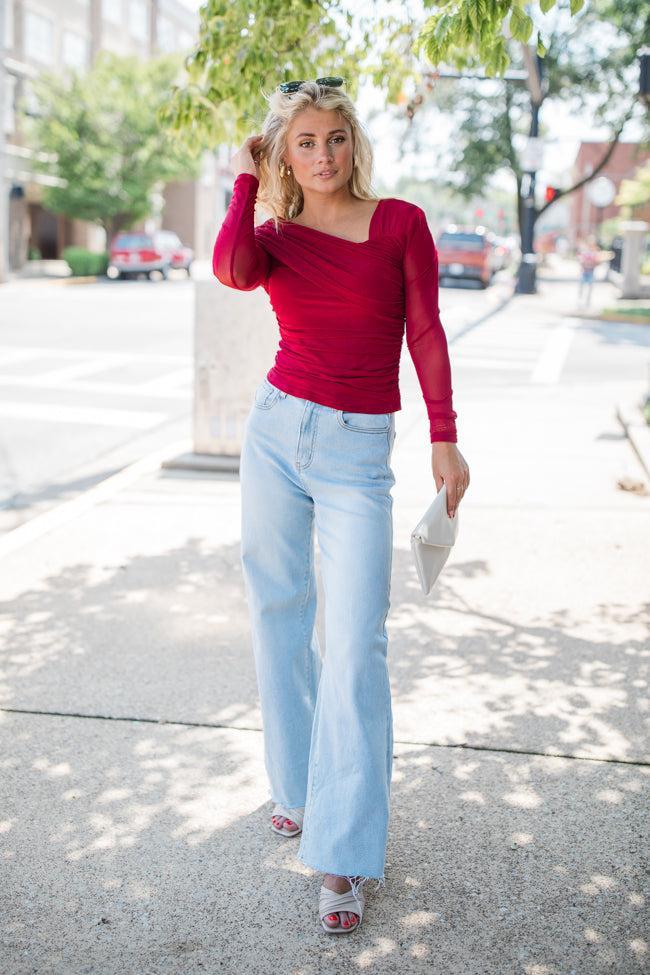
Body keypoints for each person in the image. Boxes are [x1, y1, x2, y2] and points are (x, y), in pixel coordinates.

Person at [212, 78, 470, 935]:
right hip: (277, 431)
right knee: (278, 611)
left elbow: (425, 328)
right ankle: (295, 789)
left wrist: (444, 432)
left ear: (354, 143)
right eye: (304, 142)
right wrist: (247, 182)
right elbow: (231, 268)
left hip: (360, 449)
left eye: (334, 139)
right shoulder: (275, 235)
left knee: (354, 640)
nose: (322, 155)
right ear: (285, 152)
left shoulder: (399, 221)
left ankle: (345, 851)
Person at [576, 234, 601, 306]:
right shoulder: (584, 250)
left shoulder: (596, 251)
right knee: (581, 286)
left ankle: (588, 301)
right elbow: (580, 259)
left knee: (590, 287)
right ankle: (580, 300)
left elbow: (598, 261)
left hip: (591, 271)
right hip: (584, 271)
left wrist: (594, 263)